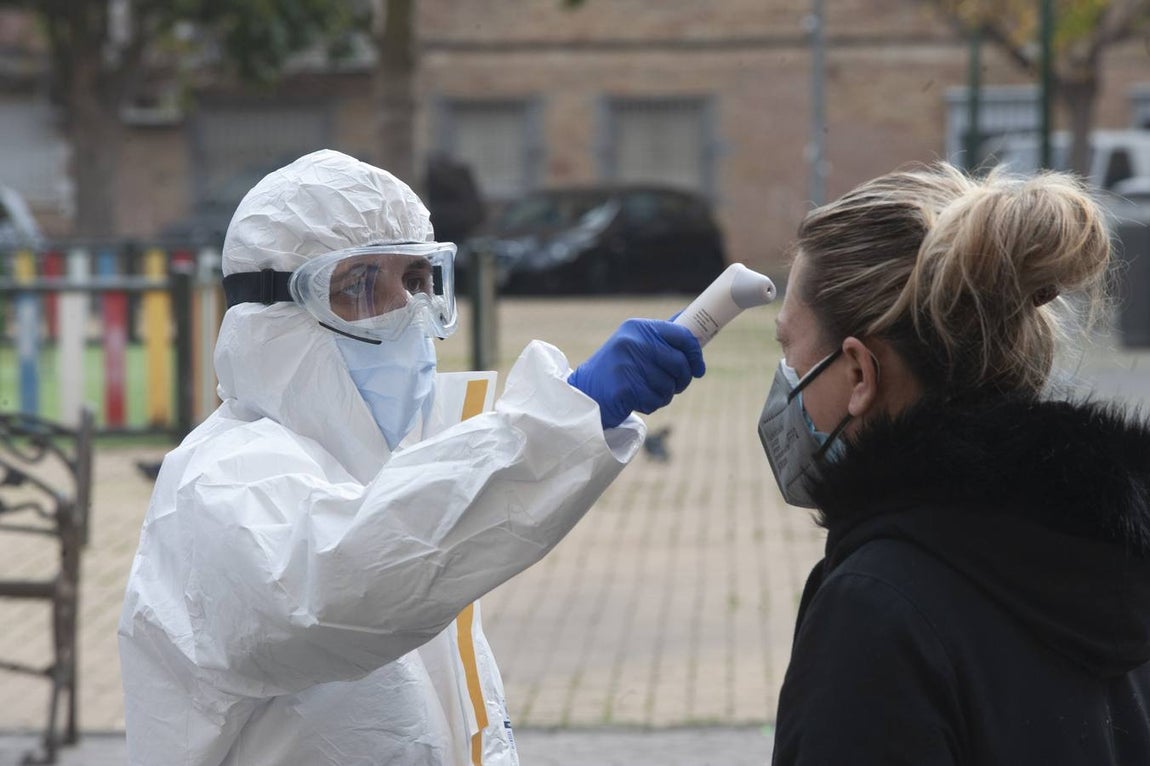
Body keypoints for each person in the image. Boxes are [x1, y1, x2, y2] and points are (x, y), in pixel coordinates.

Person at [117, 149, 704, 766]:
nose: (409, 313)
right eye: (362, 285)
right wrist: (560, 421)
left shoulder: (395, 471)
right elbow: (343, 583)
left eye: (419, 281)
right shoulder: (219, 480)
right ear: (274, 317)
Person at [759, 162, 1150, 764]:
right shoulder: (1118, 556)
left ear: (860, 372)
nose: (786, 378)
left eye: (788, 347)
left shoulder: (876, 609)